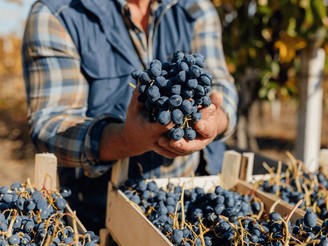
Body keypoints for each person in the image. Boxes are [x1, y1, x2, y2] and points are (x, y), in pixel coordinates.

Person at [22, 0, 238, 231]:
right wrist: (125, 140)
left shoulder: (195, 7)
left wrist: (216, 120)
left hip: (186, 206)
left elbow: (220, 87)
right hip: (101, 216)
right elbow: (50, 126)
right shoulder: (56, 13)